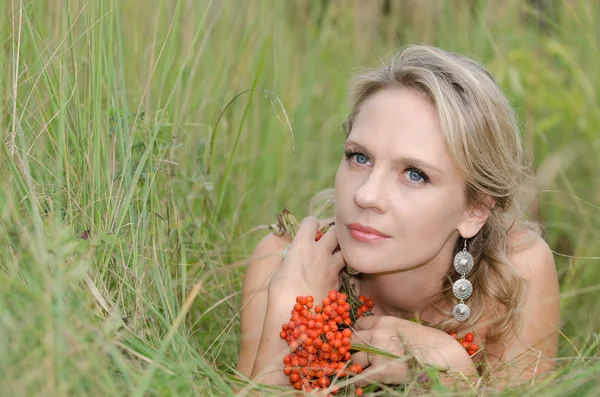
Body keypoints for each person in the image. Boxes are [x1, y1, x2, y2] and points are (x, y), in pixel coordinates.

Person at [237, 45, 560, 390]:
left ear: (475, 209)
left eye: (415, 174)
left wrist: (456, 376)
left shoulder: (514, 276)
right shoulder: (283, 263)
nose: (366, 195)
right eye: (359, 157)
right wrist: (290, 316)